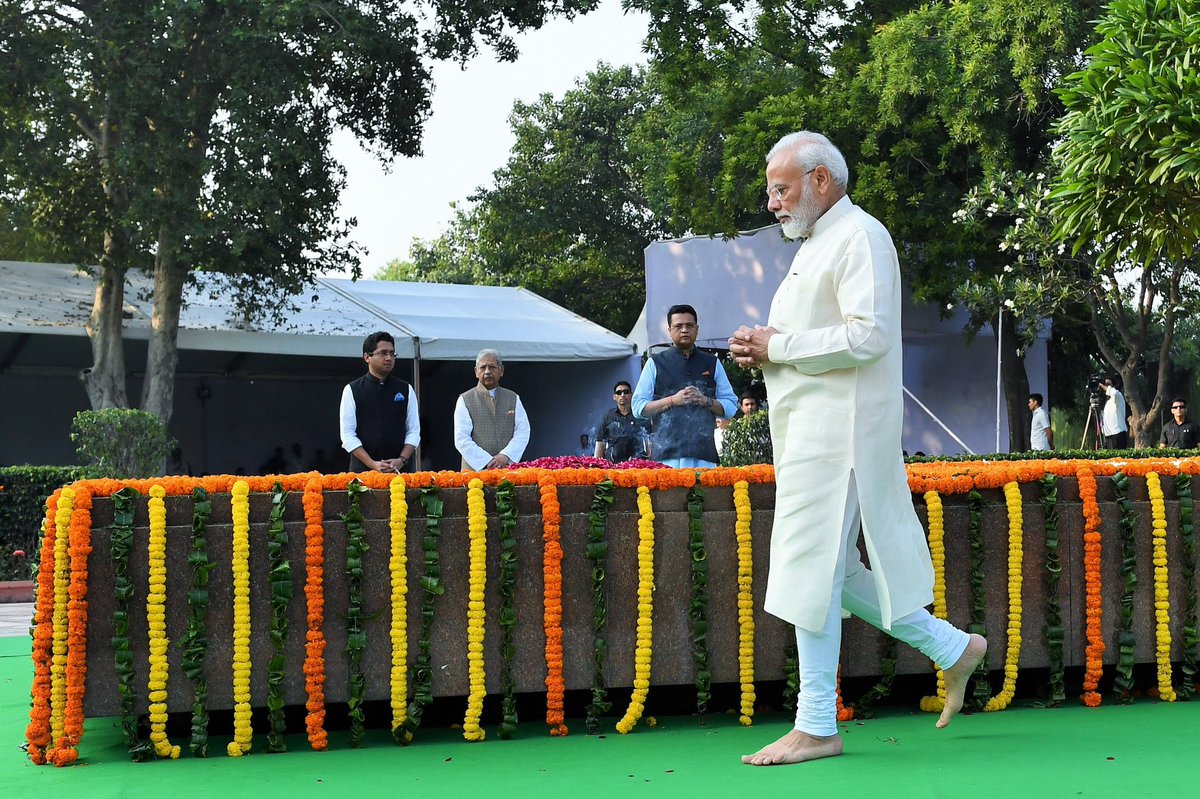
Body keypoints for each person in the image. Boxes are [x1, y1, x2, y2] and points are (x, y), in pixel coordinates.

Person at [728, 131, 986, 766]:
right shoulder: (820, 241)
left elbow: (867, 337)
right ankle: (952, 649)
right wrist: (764, 344)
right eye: (771, 191)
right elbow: (817, 337)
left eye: (781, 189)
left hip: (838, 434)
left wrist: (776, 347)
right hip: (810, 433)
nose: (773, 203)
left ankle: (817, 723)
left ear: (820, 181)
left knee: (810, 566)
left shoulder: (861, 235)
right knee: (830, 572)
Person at [631, 304, 737, 468]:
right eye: (678, 326)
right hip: (667, 455)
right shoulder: (655, 363)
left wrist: (705, 401)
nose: (684, 330)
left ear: (697, 329)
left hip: (704, 455)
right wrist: (673, 400)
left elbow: (731, 406)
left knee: (706, 494)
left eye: (689, 325)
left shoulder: (712, 363)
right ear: (669, 330)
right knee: (670, 495)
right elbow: (638, 408)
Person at [339, 331, 420, 473]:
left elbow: (413, 431)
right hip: (363, 472)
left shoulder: (406, 389)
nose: (389, 358)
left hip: (400, 470)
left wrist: (401, 460)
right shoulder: (352, 390)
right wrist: (372, 464)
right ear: (367, 357)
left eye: (392, 353)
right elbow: (347, 435)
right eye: (383, 353)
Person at [454, 349, 530, 470]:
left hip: (507, 468)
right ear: (476, 371)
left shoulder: (513, 398)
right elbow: (461, 439)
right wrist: (488, 461)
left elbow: (523, 431)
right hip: (474, 472)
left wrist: (505, 456)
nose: (487, 371)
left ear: (502, 370)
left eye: (492, 367)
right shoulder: (465, 399)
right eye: (483, 367)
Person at [593, 380, 650, 463]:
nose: (622, 395)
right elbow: (600, 443)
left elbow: (649, 441)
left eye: (626, 392)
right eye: (619, 393)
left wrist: (651, 462)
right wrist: (597, 465)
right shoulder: (608, 417)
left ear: (631, 394)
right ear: (614, 397)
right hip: (613, 466)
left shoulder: (640, 415)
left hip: (638, 465)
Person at [1100, 377, 1128, 449]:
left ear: (1114, 386)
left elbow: (1114, 393)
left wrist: (1100, 385)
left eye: (1109, 384)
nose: (1107, 386)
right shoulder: (1107, 403)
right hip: (1108, 435)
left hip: (1118, 433)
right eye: (1105, 384)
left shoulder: (1118, 395)